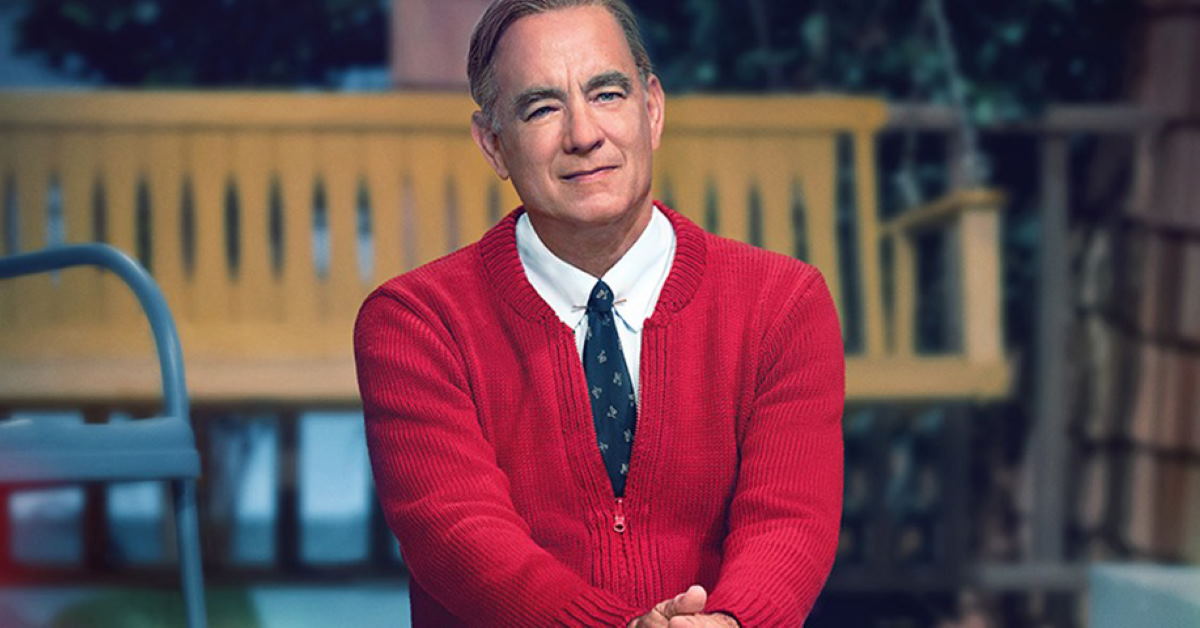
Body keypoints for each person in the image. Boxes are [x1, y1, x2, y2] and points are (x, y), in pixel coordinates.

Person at [353, 1, 845, 625]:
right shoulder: (415, 323)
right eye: (542, 108)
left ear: (653, 110)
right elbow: (458, 533)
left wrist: (729, 624)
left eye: (606, 94)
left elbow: (790, 520)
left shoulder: (782, 303)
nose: (583, 134)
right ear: (494, 145)